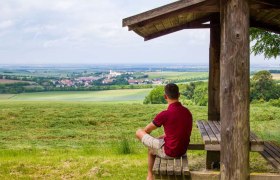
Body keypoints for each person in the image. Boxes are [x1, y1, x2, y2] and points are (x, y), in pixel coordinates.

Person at [136, 83, 193, 180]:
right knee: (157, 142)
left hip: (170, 152)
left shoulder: (165, 114)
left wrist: (149, 140)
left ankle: (150, 176)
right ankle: (150, 175)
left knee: (139, 132)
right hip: (183, 150)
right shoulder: (187, 112)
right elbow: (175, 133)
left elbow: (146, 130)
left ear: (165, 96)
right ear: (179, 95)